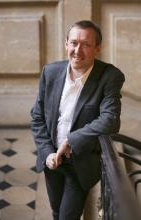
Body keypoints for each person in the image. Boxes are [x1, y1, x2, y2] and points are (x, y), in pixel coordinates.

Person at [30, 20, 125, 220]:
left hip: (80, 161)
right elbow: (37, 117)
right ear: (66, 44)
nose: (77, 50)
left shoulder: (110, 76)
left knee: (67, 217)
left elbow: (110, 120)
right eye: (73, 43)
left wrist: (70, 141)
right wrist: (47, 153)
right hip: (52, 160)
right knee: (56, 211)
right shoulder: (51, 72)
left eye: (86, 44)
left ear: (97, 48)